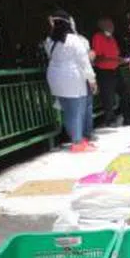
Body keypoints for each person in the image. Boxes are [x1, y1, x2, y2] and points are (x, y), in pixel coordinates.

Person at [45, 9, 96, 153]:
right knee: (77, 111)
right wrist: (91, 79)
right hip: (72, 77)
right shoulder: (74, 39)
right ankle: (77, 142)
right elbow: (84, 61)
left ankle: (77, 139)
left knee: (67, 111)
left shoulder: (49, 40)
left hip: (55, 77)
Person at [90, 16, 130, 127]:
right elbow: (98, 58)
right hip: (104, 71)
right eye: (109, 25)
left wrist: (121, 60)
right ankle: (110, 120)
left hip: (116, 69)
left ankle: (128, 118)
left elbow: (115, 54)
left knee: (125, 93)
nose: (112, 27)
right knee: (108, 97)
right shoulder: (98, 37)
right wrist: (115, 60)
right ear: (102, 26)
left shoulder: (112, 38)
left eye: (112, 25)